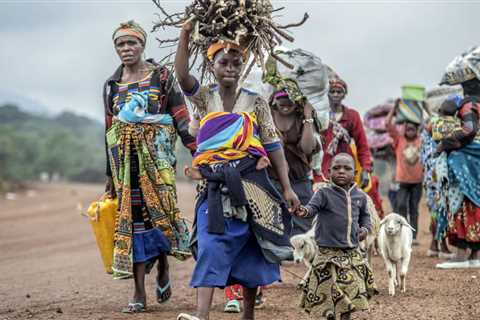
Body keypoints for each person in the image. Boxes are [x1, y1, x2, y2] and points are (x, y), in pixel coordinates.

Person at [175, 22, 300, 320]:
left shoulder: (256, 102)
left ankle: (248, 315)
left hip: (252, 183)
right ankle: (202, 315)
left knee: (252, 246)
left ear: (243, 66)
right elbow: (181, 76)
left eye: (236, 63)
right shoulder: (205, 97)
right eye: (223, 62)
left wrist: (286, 187)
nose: (230, 68)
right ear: (212, 65)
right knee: (209, 243)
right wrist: (184, 35)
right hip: (215, 186)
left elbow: (273, 146)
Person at [103, 20, 196, 313]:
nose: (126, 49)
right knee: (133, 222)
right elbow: (109, 131)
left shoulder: (162, 76)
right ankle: (139, 292)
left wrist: (199, 156)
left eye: (132, 43)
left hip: (159, 161)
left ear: (143, 45)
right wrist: (110, 175)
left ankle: (164, 266)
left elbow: (181, 115)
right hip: (126, 166)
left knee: (160, 216)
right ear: (115, 49)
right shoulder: (112, 85)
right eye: (121, 44)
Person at [295, 153, 377, 320]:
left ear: (354, 173)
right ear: (329, 171)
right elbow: (311, 209)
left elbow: (365, 217)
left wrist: (366, 229)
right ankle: (330, 315)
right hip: (327, 254)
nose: (341, 171)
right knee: (328, 291)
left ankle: (345, 316)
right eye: (337, 168)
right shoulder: (323, 194)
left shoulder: (359, 196)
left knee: (349, 288)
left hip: (351, 253)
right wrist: (302, 211)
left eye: (347, 168)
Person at [435, 78, 480, 269]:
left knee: (462, 200)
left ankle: (462, 255)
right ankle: (475, 255)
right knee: (475, 201)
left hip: (467, 158)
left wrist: (445, 143)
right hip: (476, 159)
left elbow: (469, 129)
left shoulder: (469, 104)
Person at [318, 78, 372, 189]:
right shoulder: (321, 115)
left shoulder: (352, 116)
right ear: (327, 94)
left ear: (344, 94)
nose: (335, 95)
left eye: (339, 92)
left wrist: (366, 170)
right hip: (323, 166)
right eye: (332, 92)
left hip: (345, 166)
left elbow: (362, 145)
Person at [385, 101, 424, 244]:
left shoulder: (421, 140)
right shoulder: (399, 139)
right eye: (408, 129)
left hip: (417, 182)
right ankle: (403, 233)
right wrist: (394, 108)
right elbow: (387, 124)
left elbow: (430, 125)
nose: (410, 131)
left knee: (414, 209)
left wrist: (422, 108)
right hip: (402, 181)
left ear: (417, 130)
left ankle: (413, 237)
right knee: (400, 206)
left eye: (413, 129)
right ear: (404, 130)